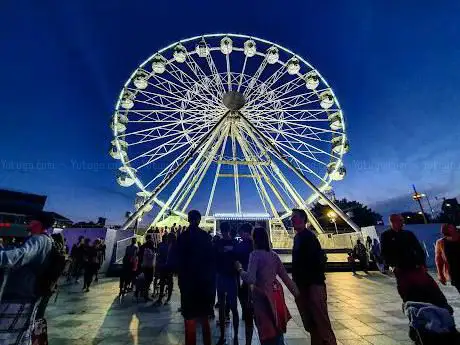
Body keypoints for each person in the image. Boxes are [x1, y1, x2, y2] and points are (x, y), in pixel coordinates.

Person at [236, 227, 298, 345]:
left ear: (255, 239)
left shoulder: (255, 255)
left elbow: (251, 278)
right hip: (275, 295)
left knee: (265, 331)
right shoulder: (273, 255)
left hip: (261, 298)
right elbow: (285, 277)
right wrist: (297, 293)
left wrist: (240, 270)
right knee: (277, 326)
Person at [0, 212, 54, 345]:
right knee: (19, 336)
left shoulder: (40, 240)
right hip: (25, 295)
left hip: (21, 296)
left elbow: (18, 256)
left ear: (39, 224)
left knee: (7, 337)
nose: (28, 225)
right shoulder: (46, 240)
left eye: (31, 221)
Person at [381, 214, 451, 311]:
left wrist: (422, 263)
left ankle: (442, 307)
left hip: (415, 266)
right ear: (393, 222)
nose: (402, 223)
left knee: (429, 287)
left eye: (402, 220)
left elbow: (418, 249)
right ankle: (413, 310)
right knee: (407, 291)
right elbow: (385, 253)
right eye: (400, 221)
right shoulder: (386, 236)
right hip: (401, 269)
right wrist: (393, 265)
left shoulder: (408, 234)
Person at [291, 209, 337, 345]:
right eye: (291, 218)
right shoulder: (298, 238)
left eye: (295, 217)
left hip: (312, 286)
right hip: (304, 286)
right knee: (312, 324)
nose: (292, 220)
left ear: (303, 219)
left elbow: (314, 262)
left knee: (320, 323)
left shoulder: (309, 237)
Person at [176, 210, 214, 345]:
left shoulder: (182, 238)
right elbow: (211, 261)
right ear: (199, 220)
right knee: (204, 320)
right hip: (203, 284)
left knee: (189, 320)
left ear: (188, 219)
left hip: (188, 284)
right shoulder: (206, 237)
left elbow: (177, 261)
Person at [215, 222, 240, 345]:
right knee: (233, 308)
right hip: (230, 277)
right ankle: (234, 336)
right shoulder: (235, 243)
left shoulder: (218, 243)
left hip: (223, 276)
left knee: (223, 308)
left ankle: (223, 335)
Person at [235, 223, 254, 345]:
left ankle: (248, 341)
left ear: (246, 232)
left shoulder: (242, 246)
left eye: (241, 234)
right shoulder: (258, 246)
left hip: (247, 280)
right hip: (256, 283)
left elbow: (236, 257)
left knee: (248, 312)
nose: (240, 236)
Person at [435, 223, 460, 294]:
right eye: (444, 229)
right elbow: (438, 260)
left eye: (448, 227)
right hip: (455, 274)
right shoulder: (440, 242)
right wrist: (440, 274)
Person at [156, 232, 177, 305]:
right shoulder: (165, 246)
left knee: (167, 282)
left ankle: (165, 297)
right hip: (165, 266)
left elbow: (159, 256)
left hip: (167, 266)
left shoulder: (171, 246)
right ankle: (163, 297)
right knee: (165, 282)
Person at [139, 234, 155, 301]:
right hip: (149, 266)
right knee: (148, 280)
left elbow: (139, 255)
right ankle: (146, 295)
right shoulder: (150, 247)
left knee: (144, 279)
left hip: (143, 265)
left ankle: (142, 293)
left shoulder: (142, 247)